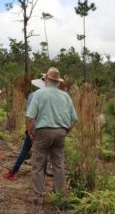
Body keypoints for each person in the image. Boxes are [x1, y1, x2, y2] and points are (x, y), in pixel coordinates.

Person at [26, 67, 77, 202]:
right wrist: (66, 131)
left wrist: (30, 131)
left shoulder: (39, 94)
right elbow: (74, 119)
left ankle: (38, 196)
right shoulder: (65, 96)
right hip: (60, 132)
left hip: (43, 132)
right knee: (58, 164)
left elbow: (31, 117)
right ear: (58, 82)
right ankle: (59, 195)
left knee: (38, 163)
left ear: (47, 79)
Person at [3, 76, 45, 180]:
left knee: (25, 150)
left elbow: (29, 114)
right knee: (43, 153)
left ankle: (13, 172)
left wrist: (28, 129)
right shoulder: (48, 96)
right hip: (43, 127)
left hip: (32, 126)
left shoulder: (32, 95)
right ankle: (41, 176)